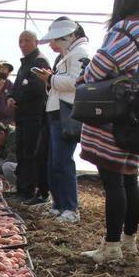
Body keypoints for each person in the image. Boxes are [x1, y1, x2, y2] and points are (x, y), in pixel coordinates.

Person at [79, 0, 139, 264]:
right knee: (130, 179)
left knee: (113, 181)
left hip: (115, 117)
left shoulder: (124, 32)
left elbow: (96, 71)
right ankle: (129, 242)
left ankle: (111, 246)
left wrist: (91, 71)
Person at [35, 17, 91, 222]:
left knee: (62, 161)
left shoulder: (80, 54)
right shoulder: (70, 54)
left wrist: (50, 79)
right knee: (54, 161)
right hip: (57, 111)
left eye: (57, 40)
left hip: (65, 112)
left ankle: (70, 207)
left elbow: (77, 82)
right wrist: (51, 80)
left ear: (69, 36)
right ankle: (59, 204)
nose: (54, 45)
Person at [7, 31, 50, 201]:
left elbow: (36, 88)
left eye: (27, 41)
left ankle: (28, 190)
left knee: (30, 152)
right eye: (20, 41)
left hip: (34, 114)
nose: (23, 44)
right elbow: (17, 85)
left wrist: (17, 98)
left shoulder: (39, 61)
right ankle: (22, 188)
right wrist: (10, 96)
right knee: (22, 152)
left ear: (36, 42)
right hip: (23, 115)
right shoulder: (24, 64)